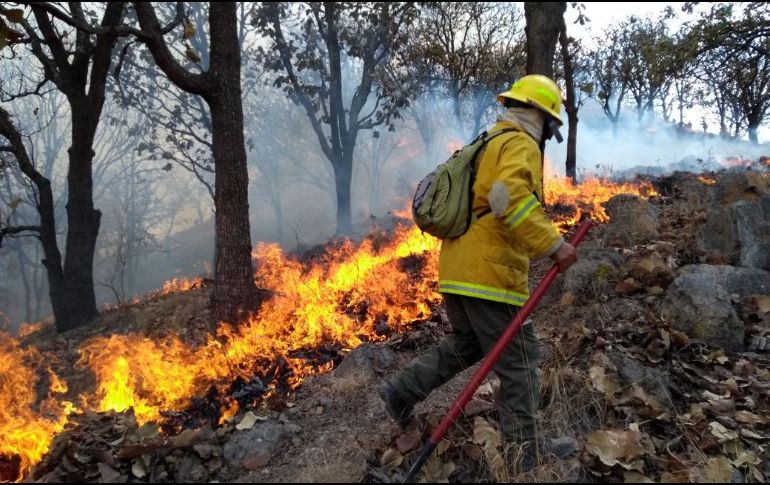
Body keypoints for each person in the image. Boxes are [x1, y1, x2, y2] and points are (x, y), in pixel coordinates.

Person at [380, 74, 578, 470]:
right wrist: (554, 245)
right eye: (551, 125)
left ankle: (401, 391)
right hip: (489, 277)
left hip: (458, 268)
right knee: (519, 360)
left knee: (467, 344)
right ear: (541, 116)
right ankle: (525, 454)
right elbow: (512, 200)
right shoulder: (519, 143)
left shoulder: (488, 141)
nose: (547, 135)